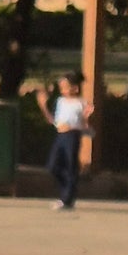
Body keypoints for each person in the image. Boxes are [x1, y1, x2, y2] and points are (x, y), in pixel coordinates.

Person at [37, 73, 89, 209]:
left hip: (72, 135)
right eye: (61, 87)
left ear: (75, 88)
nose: (62, 90)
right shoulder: (60, 101)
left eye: (65, 87)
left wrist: (86, 117)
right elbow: (53, 121)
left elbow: (85, 124)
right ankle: (69, 189)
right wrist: (43, 105)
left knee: (70, 166)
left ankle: (67, 199)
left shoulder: (81, 103)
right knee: (53, 166)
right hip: (60, 136)